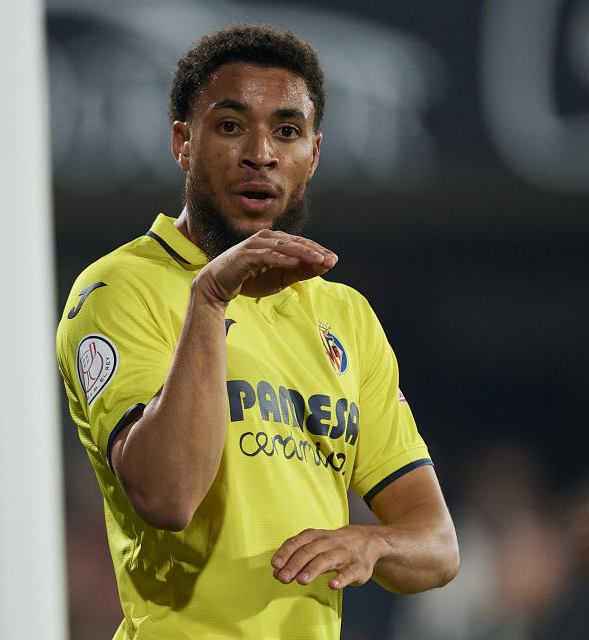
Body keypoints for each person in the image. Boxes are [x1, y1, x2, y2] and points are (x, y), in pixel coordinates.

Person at [55, 24, 459, 639]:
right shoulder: (120, 289)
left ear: (313, 155)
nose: (261, 153)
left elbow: (437, 546)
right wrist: (211, 300)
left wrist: (372, 544)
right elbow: (166, 499)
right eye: (230, 125)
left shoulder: (346, 317)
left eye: (287, 131)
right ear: (182, 143)